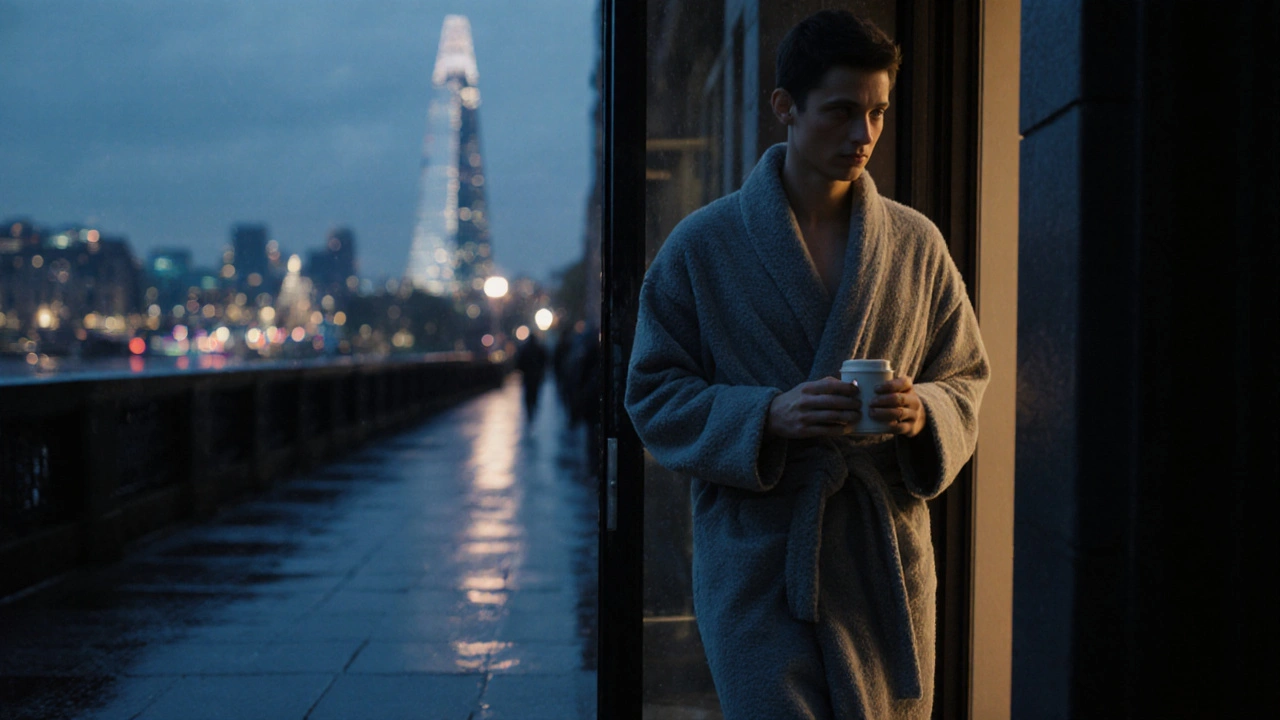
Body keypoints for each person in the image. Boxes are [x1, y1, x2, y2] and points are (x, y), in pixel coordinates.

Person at [624, 10, 989, 720]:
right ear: (784, 107)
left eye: (878, 112)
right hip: (759, 560)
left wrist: (924, 411)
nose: (864, 136)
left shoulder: (917, 244)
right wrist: (766, 415)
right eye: (842, 111)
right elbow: (652, 393)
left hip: (881, 563)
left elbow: (966, 376)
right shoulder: (703, 246)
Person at [514, 332, 548, 421]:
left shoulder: (525, 349)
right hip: (536, 375)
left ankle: (530, 410)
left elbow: (519, 362)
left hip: (527, 375)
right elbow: (544, 360)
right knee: (535, 391)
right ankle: (534, 405)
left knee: (528, 393)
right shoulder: (539, 348)